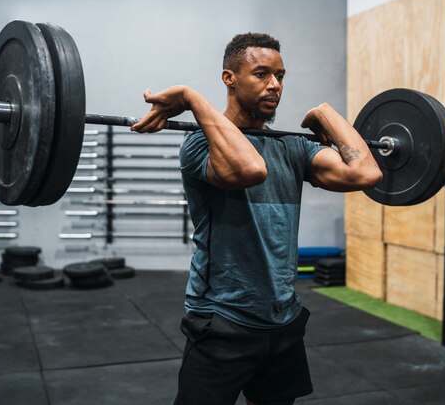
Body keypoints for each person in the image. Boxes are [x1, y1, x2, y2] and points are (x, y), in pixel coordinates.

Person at [131, 33, 382, 405]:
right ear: (229, 78)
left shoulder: (292, 146)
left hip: (283, 321)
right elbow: (251, 169)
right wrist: (190, 97)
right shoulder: (200, 145)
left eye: (280, 76)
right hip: (222, 320)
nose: (275, 85)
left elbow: (366, 174)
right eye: (262, 74)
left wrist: (325, 114)